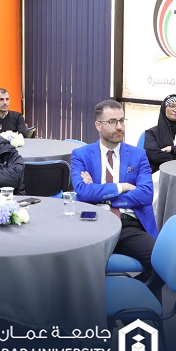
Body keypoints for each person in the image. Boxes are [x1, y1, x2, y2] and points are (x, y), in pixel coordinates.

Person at [70, 100, 163, 302]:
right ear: (98, 125)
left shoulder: (138, 155)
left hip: (129, 226)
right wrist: (122, 187)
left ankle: (133, 295)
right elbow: (82, 192)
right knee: (73, 266)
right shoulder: (81, 155)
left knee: (162, 261)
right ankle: (89, 308)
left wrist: (103, 195)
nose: (119, 126)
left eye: (122, 121)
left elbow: (146, 194)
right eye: (112, 122)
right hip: (93, 223)